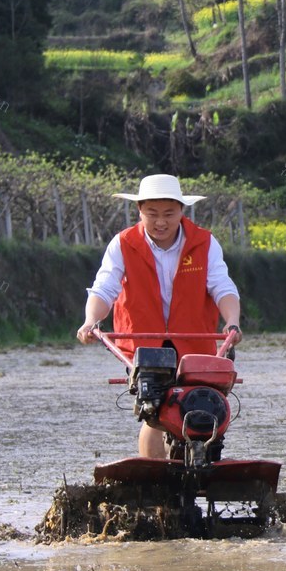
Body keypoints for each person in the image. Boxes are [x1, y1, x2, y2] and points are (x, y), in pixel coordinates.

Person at [76, 174, 242, 458]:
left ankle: (200, 463)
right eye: (152, 214)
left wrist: (232, 322)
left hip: (195, 340)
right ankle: (155, 481)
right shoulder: (123, 244)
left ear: (182, 210)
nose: (160, 221)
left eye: (169, 213)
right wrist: (91, 321)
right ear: (139, 211)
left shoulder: (204, 243)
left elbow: (222, 287)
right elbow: (104, 288)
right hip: (143, 344)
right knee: (155, 408)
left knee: (202, 405)